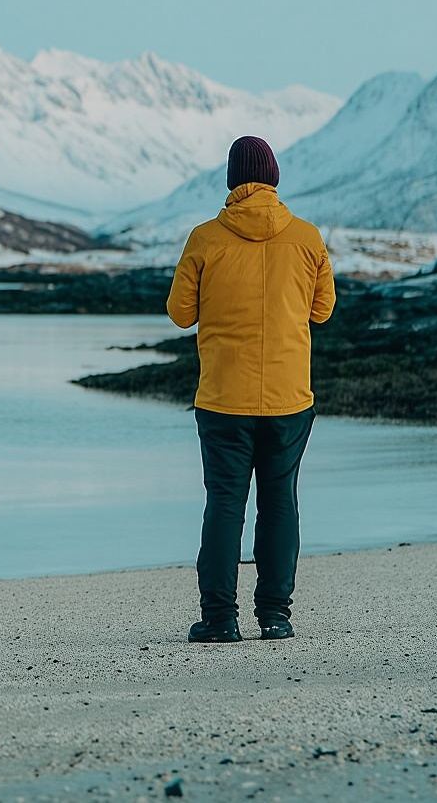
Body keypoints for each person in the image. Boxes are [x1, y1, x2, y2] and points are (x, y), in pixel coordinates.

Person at [165, 136, 336, 643]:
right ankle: (276, 616)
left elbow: (179, 314)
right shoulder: (307, 238)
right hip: (289, 398)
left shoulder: (204, 238)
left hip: (222, 400)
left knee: (224, 505)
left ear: (231, 182)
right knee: (280, 501)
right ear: (275, 179)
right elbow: (323, 310)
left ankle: (220, 619)